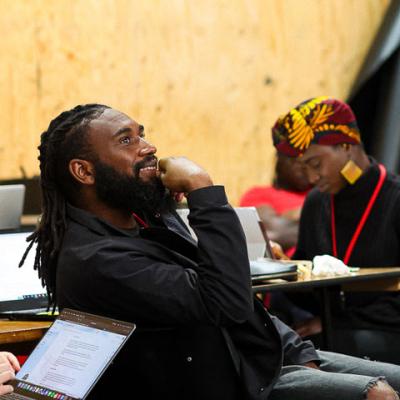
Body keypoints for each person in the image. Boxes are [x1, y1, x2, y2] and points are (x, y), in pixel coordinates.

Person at [21, 103, 400, 399]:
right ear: (83, 172)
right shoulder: (96, 260)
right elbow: (226, 301)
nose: (148, 148)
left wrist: (301, 352)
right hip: (236, 382)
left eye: (142, 135)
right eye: (126, 141)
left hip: (259, 358)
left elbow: (245, 308)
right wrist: (203, 191)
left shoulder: (146, 223)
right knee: (379, 394)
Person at [272, 96, 400, 362]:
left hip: (387, 332)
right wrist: (282, 268)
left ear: (346, 146)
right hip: (334, 330)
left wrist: (337, 323)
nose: (311, 178)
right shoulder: (317, 202)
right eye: (303, 168)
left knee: (309, 350)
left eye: (316, 164)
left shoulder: (395, 199)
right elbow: (315, 299)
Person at [240, 153, 311, 256]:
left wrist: (291, 216)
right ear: (279, 159)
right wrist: (317, 215)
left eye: (307, 157)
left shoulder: (325, 193)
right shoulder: (258, 194)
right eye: (294, 156)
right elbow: (271, 234)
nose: (302, 162)